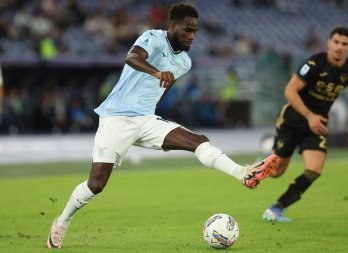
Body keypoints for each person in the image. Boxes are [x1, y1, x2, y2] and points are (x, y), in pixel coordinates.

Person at [47, 3, 278, 249]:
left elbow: (162, 90)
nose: (191, 36)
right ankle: (61, 221)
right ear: (172, 26)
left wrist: (159, 110)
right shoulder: (153, 38)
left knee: (197, 141)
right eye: (187, 30)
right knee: (96, 185)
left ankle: (243, 174)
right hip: (117, 117)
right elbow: (132, 57)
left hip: (146, 120)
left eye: (195, 31)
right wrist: (157, 73)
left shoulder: (185, 62)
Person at [262, 26, 348, 222]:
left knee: (314, 169)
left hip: (317, 125)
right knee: (276, 172)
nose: (339, 47)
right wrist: (309, 115)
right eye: (336, 42)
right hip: (293, 120)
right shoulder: (315, 63)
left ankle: (276, 208)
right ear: (328, 43)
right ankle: (260, 165)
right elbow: (290, 91)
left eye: (344, 44)